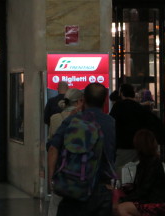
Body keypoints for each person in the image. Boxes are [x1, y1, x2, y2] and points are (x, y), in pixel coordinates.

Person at [47, 83, 116, 216]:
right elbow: (111, 153)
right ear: (105, 100)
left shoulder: (72, 121)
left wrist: (52, 179)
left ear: (83, 99)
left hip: (74, 186)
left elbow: (53, 149)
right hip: (101, 189)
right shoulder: (110, 123)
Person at [110, 83, 165, 174]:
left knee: (121, 172)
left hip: (124, 147)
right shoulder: (139, 108)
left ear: (122, 93)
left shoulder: (118, 106)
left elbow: (111, 124)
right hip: (141, 146)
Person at [113, 129, 165, 216]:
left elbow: (144, 190)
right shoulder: (146, 162)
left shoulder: (152, 163)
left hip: (157, 203)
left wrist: (123, 199)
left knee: (121, 208)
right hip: (149, 200)